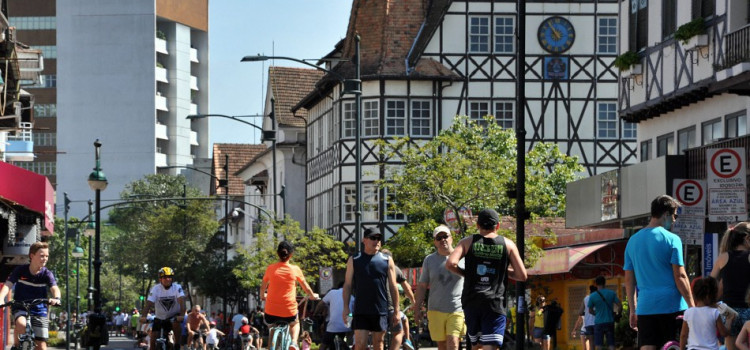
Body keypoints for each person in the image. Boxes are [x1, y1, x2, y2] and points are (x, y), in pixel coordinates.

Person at [446, 208, 528, 350]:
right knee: (490, 346)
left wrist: (467, 274)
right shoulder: (508, 245)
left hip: (471, 300)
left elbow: (450, 263)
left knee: (476, 345)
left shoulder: (467, 242)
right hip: (494, 302)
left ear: (478, 225)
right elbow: (522, 275)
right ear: (497, 226)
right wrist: (501, 271)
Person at [624, 195, 694, 350]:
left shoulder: (632, 241)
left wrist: (633, 309)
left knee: (647, 347)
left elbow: (629, 280)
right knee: (672, 346)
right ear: (665, 214)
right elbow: (680, 276)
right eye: (674, 215)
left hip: (645, 307)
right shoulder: (672, 239)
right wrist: (692, 305)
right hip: (672, 306)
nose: (674, 220)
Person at [342, 227, 401, 350]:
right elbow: (347, 285)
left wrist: (396, 310)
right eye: (373, 238)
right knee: (360, 344)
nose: (377, 241)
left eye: (379, 238)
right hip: (360, 309)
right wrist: (346, 307)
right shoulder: (354, 260)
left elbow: (393, 285)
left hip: (380, 309)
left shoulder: (386, 260)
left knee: (378, 343)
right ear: (364, 240)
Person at [0, 241, 62, 350]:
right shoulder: (21, 270)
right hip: (21, 305)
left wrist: (56, 298)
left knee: (41, 346)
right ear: (32, 256)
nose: (45, 258)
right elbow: (8, 285)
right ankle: (16, 346)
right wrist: (1, 297)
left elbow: (54, 288)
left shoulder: (46, 274)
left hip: (40, 309)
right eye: (42, 256)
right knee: (21, 324)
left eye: (47, 256)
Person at [414, 224, 465, 350]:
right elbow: (422, 285)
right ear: (435, 242)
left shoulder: (462, 257)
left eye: (445, 236)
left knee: (453, 342)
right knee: (442, 345)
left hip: (457, 308)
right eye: (439, 238)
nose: (443, 240)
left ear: (451, 238)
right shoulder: (429, 260)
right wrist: (417, 307)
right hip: (435, 309)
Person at [261, 241, 319, 349]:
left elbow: (263, 285)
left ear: (277, 253)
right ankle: (294, 342)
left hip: (271, 312)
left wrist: (262, 296)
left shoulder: (270, 268)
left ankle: (271, 346)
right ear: (291, 255)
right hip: (288, 311)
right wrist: (312, 295)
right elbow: (306, 287)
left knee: (272, 327)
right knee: (295, 323)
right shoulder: (295, 269)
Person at [710, 222, 750, 350]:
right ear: (747, 238)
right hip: (747, 310)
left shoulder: (722, 257)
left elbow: (710, 282)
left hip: (728, 311)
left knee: (730, 347)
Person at [679, 276, 735, 350]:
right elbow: (724, 333)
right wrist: (729, 321)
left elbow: (683, 335)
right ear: (710, 296)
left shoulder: (688, 312)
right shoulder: (714, 312)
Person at [141, 267, 186, 350]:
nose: (167, 279)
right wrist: (143, 316)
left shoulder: (177, 287)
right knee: (153, 340)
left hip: (173, 316)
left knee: (176, 323)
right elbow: (148, 304)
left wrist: (182, 315)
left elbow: (182, 301)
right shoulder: (155, 289)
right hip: (159, 318)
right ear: (160, 279)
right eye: (164, 277)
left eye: (169, 277)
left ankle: (177, 345)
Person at [380, 249, 416, 350]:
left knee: (378, 336)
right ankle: (407, 340)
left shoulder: (373, 266)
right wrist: (413, 301)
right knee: (399, 331)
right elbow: (407, 288)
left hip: (375, 307)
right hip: (391, 307)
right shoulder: (395, 268)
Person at [316, 282, 353, 350]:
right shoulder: (353, 297)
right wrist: (349, 326)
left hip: (333, 325)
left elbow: (320, 305)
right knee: (343, 339)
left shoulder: (332, 292)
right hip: (347, 325)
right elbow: (351, 314)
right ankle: (344, 344)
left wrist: (315, 313)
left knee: (324, 345)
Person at [587, 276, 620, 350]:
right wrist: (618, 314)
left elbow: (590, 310)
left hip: (598, 322)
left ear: (596, 284)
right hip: (609, 321)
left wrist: (597, 314)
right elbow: (620, 305)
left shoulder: (592, 296)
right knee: (611, 344)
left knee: (599, 345)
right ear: (605, 283)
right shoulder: (611, 293)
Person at [572, 285, 598, 350]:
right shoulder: (598, 298)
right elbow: (579, 320)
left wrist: (585, 313)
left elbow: (580, 313)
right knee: (593, 345)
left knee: (588, 347)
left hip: (587, 326)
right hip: (595, 325)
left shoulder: (586, 299)